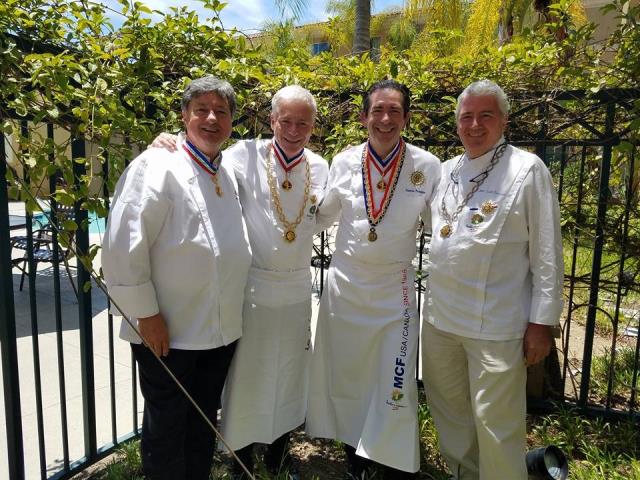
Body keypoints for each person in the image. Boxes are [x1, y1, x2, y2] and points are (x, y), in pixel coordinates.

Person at [150, 85, 329, 479]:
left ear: (313, 126)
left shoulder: (321, 165)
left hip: (297, 290)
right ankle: (241, 457)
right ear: (272, 120)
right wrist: (169, 141)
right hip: (253, 290)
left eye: (303, 123)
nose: (294, 130)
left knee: (290, 377)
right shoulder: (242, 155)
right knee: (248, 380)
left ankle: (279, 454)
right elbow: (200, 158)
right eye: (286, 121)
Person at [102, 76, 252, 480]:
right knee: (167, 429)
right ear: (184, 116)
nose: (211, 118)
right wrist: (145, 315)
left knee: (203, 423)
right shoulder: (155, 165)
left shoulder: (228, 173)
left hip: (218, 332)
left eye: (221, 111)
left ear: (232, 122)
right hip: (168, 332)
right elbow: (122, 247)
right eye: (201, 109)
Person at [421, 79, 564, 480]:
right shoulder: (446, 171)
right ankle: (465, 473)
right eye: (466, 117)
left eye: (486, 115)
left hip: (496, 325)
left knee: (496, 423)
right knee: (450, 412)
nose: (475, 125)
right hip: (440, 321)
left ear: (503, 120)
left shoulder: (527, 169)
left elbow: (547, 253)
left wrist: (542, 322)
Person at [307, 79, 441, 479]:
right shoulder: (345, 160)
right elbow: (324, 214)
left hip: (393, 288)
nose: (385, 119)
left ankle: (393, 456)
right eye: (377, 111)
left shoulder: (427, 166)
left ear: (406, 118)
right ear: (364, 116)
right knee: (350, 373)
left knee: (393, 373)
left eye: (394, 111)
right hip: (346, 287)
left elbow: (441, 227)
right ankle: (356, 454)